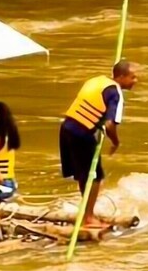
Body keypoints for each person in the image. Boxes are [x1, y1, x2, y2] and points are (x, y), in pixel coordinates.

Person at [59, 60, 139, 228]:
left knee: (85, 175)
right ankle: (88, 217)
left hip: (66, 128)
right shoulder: (115, 93)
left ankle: (88, 213)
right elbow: (110, 124)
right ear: (121, 77)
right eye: (132, 77)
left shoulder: (97, 80)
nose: (135, 81)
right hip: (81, 133)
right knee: (96, 178)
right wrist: (116, 142)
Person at [0, 101, 21, 202]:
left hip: (2, 183)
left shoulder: (0, 140)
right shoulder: (6, 136)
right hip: (7, 182)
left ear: (0, 116)